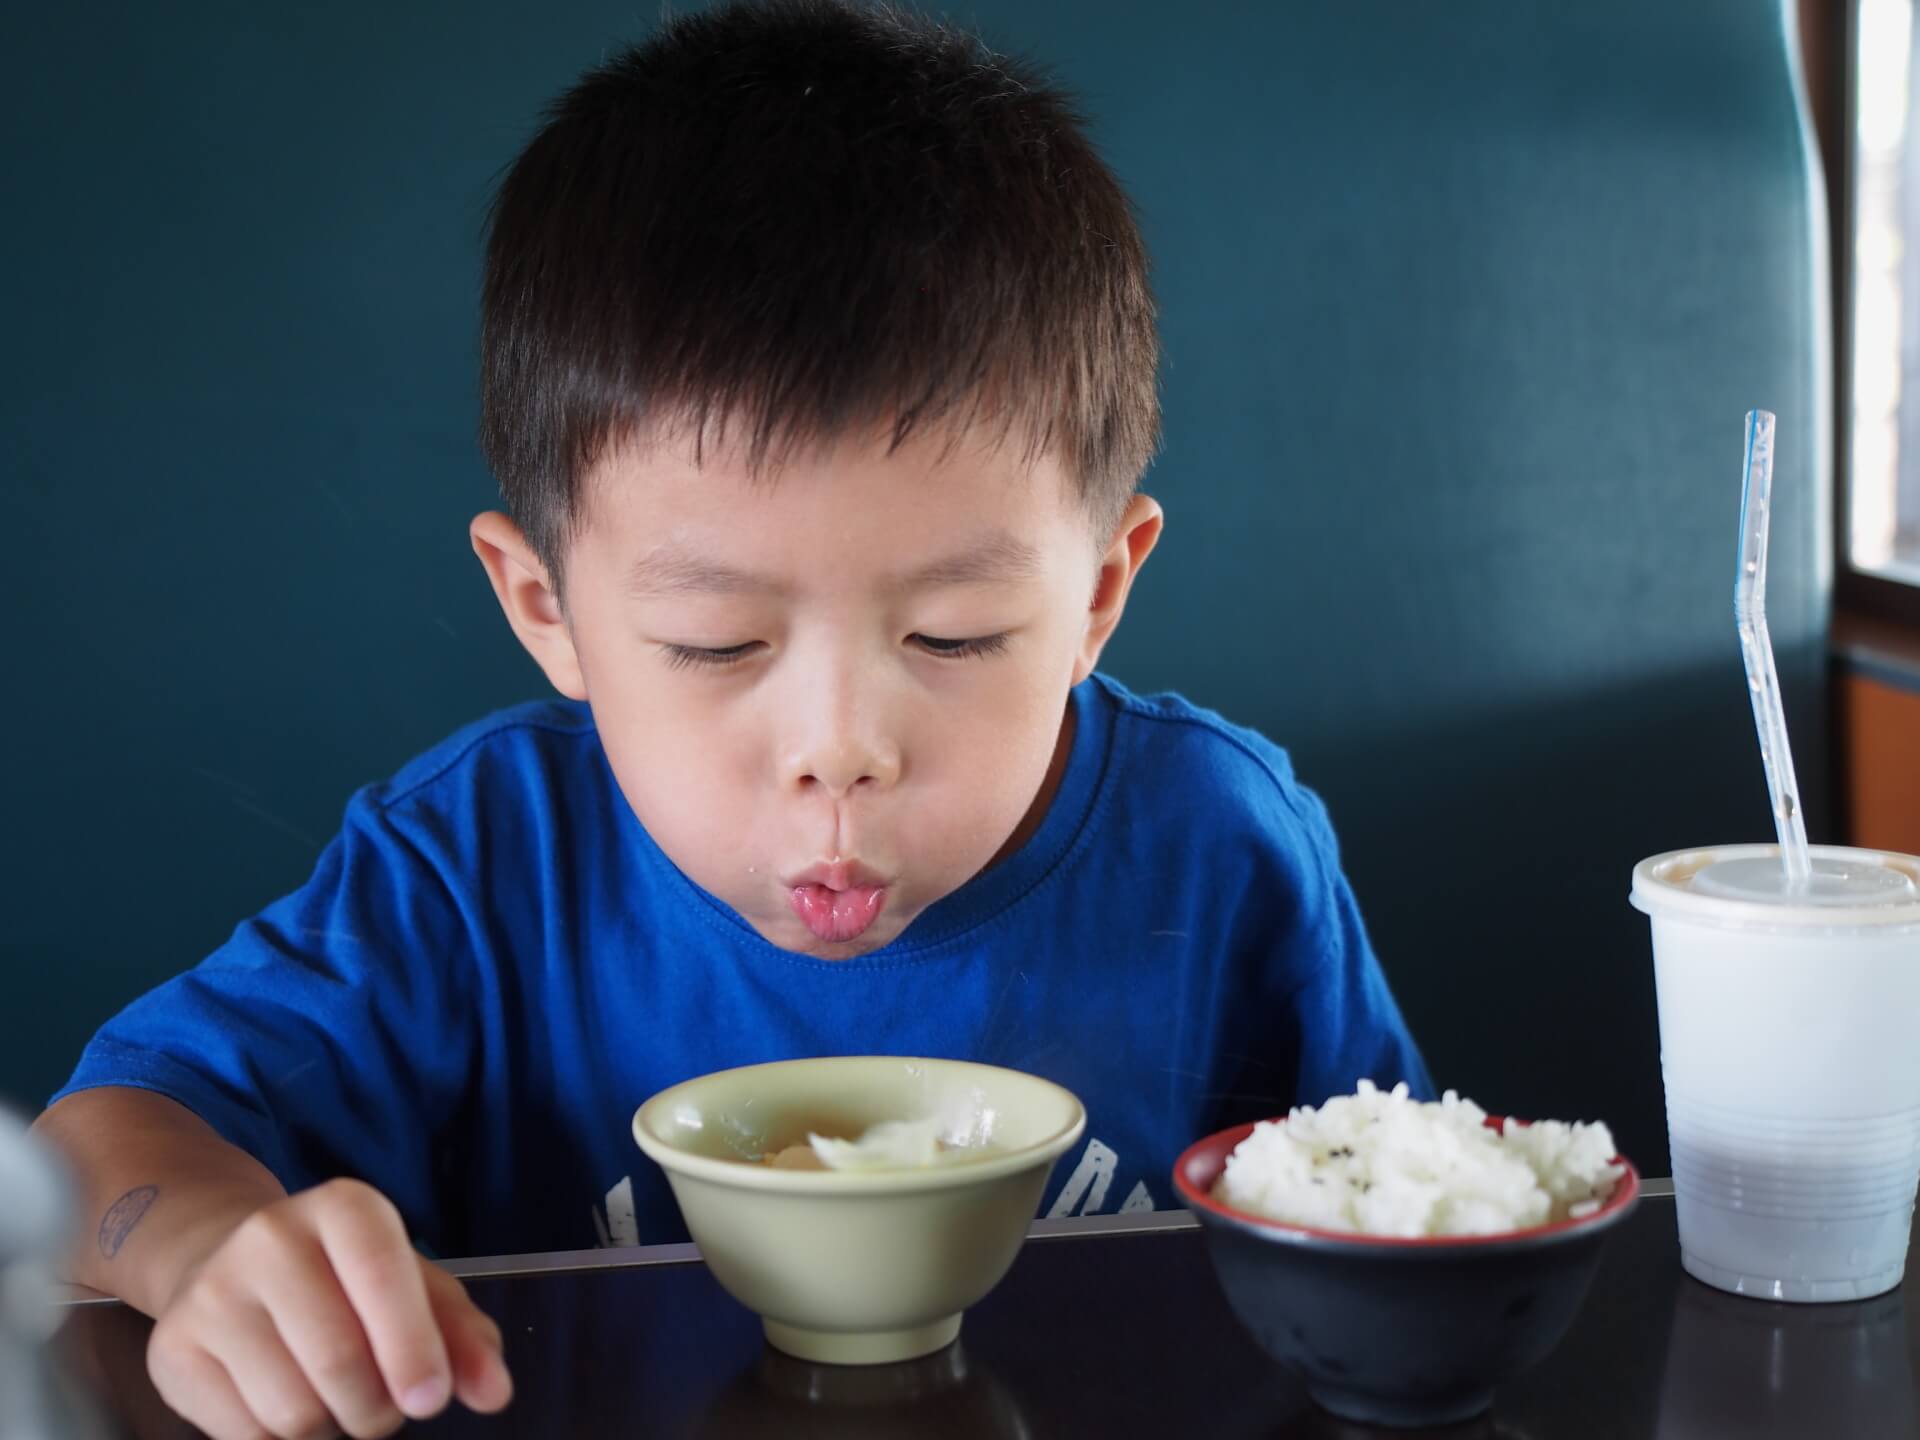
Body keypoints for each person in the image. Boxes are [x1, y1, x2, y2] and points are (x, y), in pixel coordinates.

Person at [34, 3, 1431, 1435]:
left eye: (954, 634)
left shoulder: (1221, 849)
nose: (840, 751)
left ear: (1097, 594)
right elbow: (90, 1154)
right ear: (546, 609)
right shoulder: (477, 868)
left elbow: (1416, 1226)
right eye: (717, 644)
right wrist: (202, 1243)